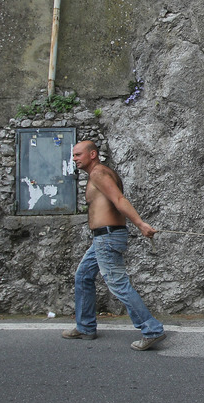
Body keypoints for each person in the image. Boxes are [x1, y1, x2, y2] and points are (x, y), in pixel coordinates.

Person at [62, 140, 166, 351]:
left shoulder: (99, 173)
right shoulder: (102, 173)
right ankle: (85, 327)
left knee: (118, 284)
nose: (74, 159)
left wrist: (140, 224)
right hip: (103, 238)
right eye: (73, 155)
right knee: (83, 276)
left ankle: (151, 329)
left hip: (107, 237)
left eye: (78, 154)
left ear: (92, 154)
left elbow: (119, 199)